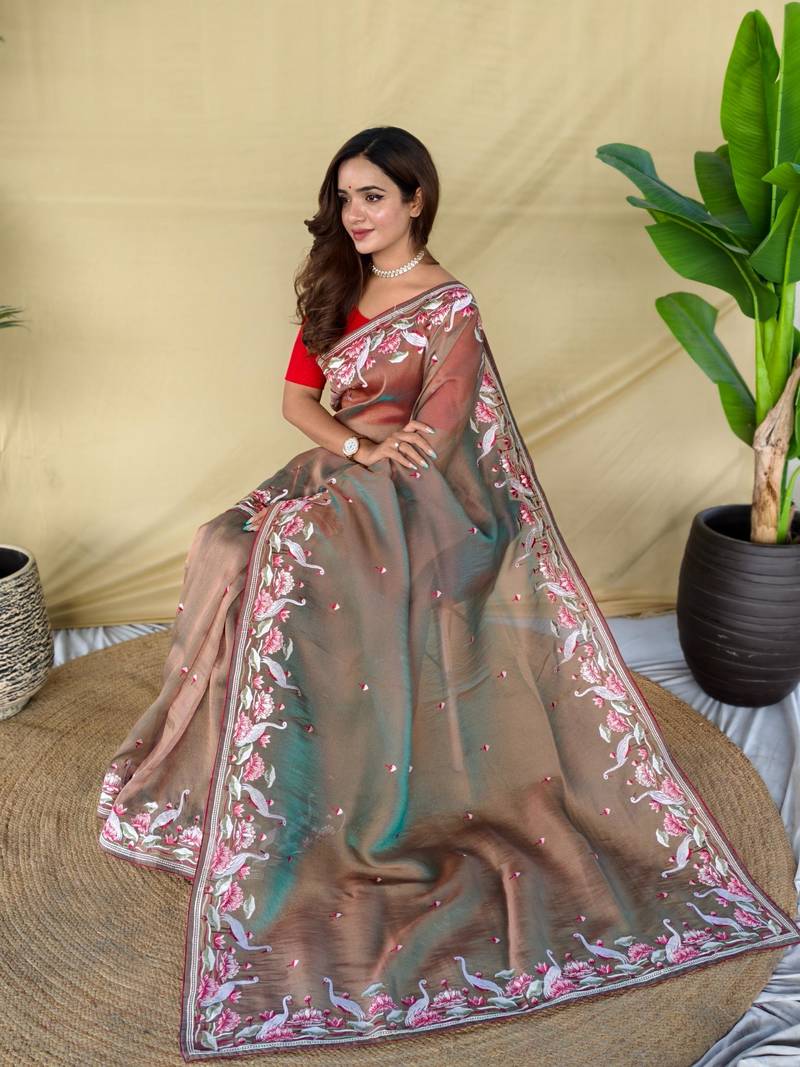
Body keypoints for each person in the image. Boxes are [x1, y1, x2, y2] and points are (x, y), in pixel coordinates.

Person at [96, 126, 800, 1060]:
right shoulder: (337, 285)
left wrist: (370, 465)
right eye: (345, 197)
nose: (355, 214)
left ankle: (328, 804)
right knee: (222, 543)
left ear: (415, 199)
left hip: (426, 500)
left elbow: (437, 433)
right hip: (347, 467)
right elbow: (296, 403)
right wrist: (355, 448)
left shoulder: (448, 305)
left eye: (373, 196)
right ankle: (237, 785)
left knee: (285, 556)